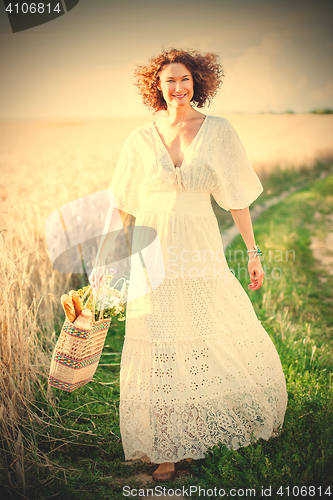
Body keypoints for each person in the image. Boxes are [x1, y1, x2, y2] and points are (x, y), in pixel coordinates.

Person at [90, 48, 288, 482]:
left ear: (197, 81)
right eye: (168, 81)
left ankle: (196, 430)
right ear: (156, 88)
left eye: (184, 80)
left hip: (198, 243)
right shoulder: (141, 137)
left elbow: (236, 196)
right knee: (157, 337)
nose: (177, 88)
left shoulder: (218, 131)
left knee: (200, 332)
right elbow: (122, 202)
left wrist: (253, 253)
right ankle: (165, 447)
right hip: (152, 246)